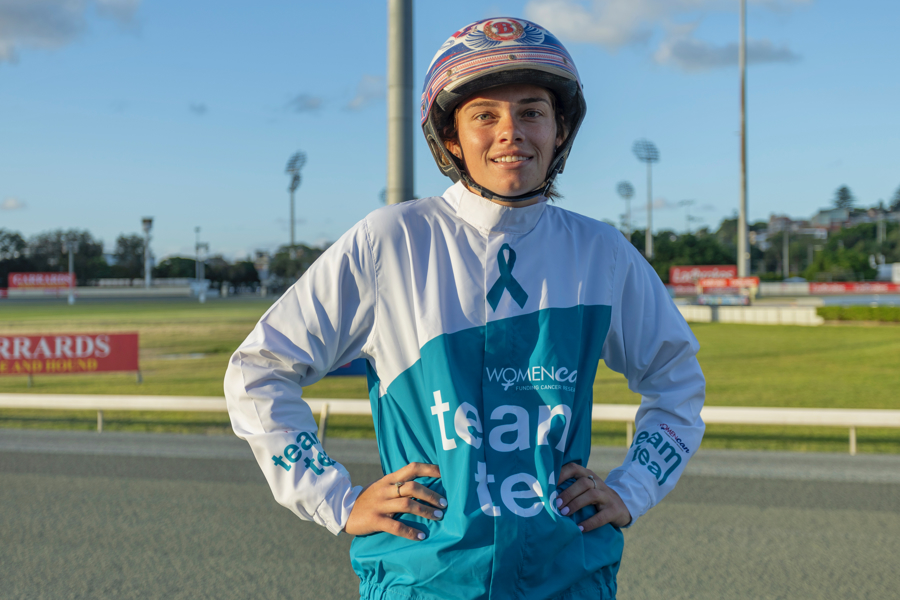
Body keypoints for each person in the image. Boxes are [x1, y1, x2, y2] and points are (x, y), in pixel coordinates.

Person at [225, 16, 705, 600]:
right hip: (423, 581)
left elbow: (677, 380)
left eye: (532, 112)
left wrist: (633, 488)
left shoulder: (601, 252)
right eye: (485, 116)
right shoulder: (389, 242)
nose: (511, 133)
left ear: (560, 130)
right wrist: (335, 499)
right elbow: (258, 370)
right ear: (450, 137)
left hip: (569, 579)